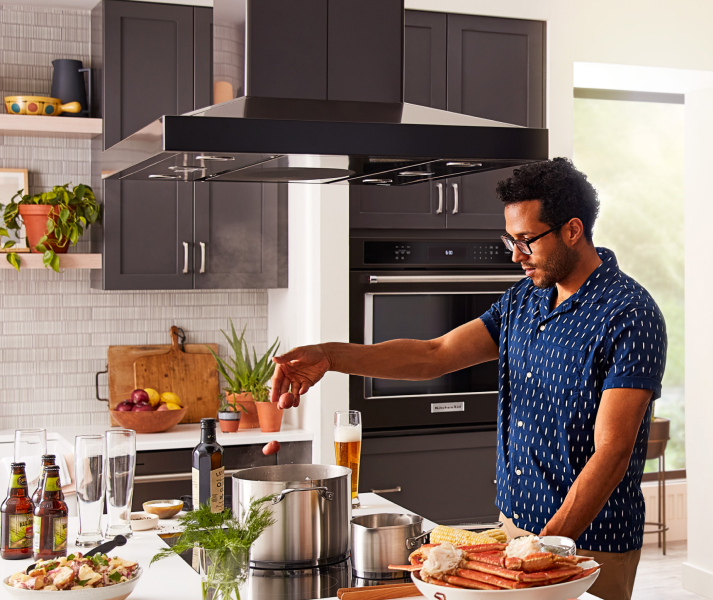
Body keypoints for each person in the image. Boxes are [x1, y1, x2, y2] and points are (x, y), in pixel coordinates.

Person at [269, 158, 666, 600]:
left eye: (526, 241)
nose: (516, 255)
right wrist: (330, 355)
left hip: (588, 544)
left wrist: (546, 548)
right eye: (510, 240)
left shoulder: (630, 315)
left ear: (572, 231)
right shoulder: (525, 300)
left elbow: (613, 452)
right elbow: (433, 355)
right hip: (514, 527)